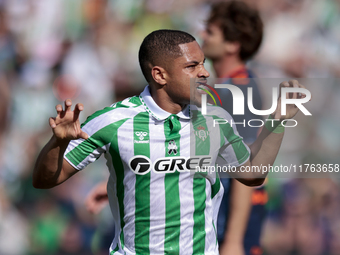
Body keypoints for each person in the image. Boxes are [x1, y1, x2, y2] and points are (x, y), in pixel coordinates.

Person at [33, 29, 306, 254]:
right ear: (160, 75)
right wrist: (57, 144)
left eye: (202, 63)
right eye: (192, 66)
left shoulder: (215, 119)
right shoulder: (112, 121)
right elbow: (45, 179)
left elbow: (251, 173)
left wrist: (277, 122)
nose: (204, 73)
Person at [201, 2, 266, 255]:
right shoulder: (229, 86)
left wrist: (234, 240)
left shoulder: (239, 89)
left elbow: (246, 164)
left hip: (234, 215)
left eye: (210, 31)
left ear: (233, 44)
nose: (203, 36)